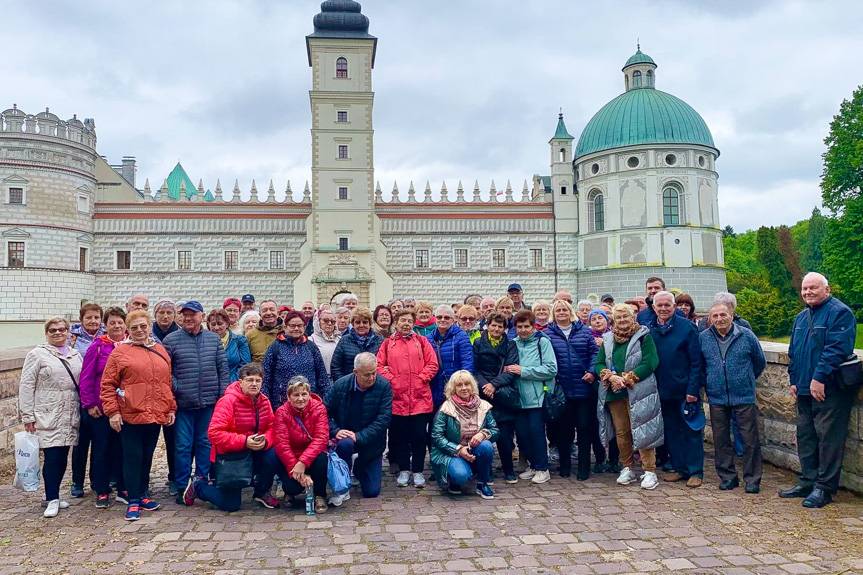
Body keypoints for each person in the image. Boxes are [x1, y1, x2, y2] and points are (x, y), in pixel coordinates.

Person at [779, 272, 858, 508]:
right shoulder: (801, 318)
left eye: (813, 288)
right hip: (803, 388)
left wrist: (819, 378)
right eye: (804, 289)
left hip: (829, 388)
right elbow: (794, 352)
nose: (808, 292)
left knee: (828, 438)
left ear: (827, 289)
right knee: (806, 437)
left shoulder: (840, 313)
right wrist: (794, 380)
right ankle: (808, 480)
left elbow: (837, 349)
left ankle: (824, 488)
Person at [100, 310, 176, 521]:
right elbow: (108, 384)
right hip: (131, 412)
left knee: (147, 456)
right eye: (134, 328)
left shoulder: (160, 350)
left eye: (143, 326)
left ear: (149, 326)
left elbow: (166, 383)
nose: (139, 331)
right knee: (132, 457)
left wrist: (171, 407)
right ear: (128, 330)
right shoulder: (120, 352)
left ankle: (142, 493)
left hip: (155, 412)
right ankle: (132, 498)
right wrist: (113, 412)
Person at [184, 363, 285, 511]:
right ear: (240, 382)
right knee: (230, 504)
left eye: (258, 381)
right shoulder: (228, 401)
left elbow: (272, 427)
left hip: (255, 449)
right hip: (231, 454)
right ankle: (199, 486)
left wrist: (265, 440)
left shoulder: (264, 401)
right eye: (250, 380)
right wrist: (244, 441)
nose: (254, 384)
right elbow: (214, 433)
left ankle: (261, 491)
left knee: (274, 454)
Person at [163, 301, 230, 502]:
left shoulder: (213, 339)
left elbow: (222, 369)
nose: (188, 318)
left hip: (209, 403)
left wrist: (222, 396)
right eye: (185, 315)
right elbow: (165, 371)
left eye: (193, 314)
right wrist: (178, 387)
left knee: (205, 443)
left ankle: (201, 481)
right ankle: (183, 484)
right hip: (184, 404)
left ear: (202, 316)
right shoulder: (171, 340)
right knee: (182, 446)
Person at [698, 303, 766, 493]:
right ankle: (727, 477)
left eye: (723, 315)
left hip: (743, 396)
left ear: (731, 315)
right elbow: (700, 365)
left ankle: (752, 479)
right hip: (717, 397)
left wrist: (746, 379)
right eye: (715, 316)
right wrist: (710, 382)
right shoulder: (703, 338)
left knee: (749, 439)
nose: (720, 319)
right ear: (710, 319)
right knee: (721, 439)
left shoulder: (746, 335)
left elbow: (759, 361)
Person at [595, 304, 663, 490]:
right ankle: (627, 467)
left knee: (642, 429)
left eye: (626, 317)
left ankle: (649, 470)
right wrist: (610, 376)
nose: (623, 321)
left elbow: (651, 361)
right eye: (619, 318)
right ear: (614, 321)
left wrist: (628, 377)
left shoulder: (643, 336)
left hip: (639, 391)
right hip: (614, 392)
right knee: (622, 431)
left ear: (633, 318)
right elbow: (599, 362)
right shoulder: (608, 339)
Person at [19, 317, 82, 518]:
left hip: (70, 412)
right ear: (46, 333)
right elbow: (27, 385)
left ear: (68, 332)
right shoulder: (37, 354)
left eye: (62, 329)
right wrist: (27, 414)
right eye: (53, 330)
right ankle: (51, 497)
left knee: (63, 455)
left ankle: (52, 493)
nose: (57, 333)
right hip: (47, 412)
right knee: (52, 456)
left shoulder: (75, 355)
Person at [376, 309, 439, 488]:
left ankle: (418, 470)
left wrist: (421, 378)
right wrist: (393, 380)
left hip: (420, 398)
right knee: (401, 436)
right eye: (402, 320)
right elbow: (380, 365)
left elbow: (432, 363)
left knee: (419, 436)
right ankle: (404, 469)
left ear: (414, 323)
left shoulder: (422, 341)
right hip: (398, 398)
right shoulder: (388, 344)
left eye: (409, 321)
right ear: (396, 323)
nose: (406, 324)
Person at [648, 291, 704, 488]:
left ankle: (696, 471)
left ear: (674, 306)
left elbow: (697, 362)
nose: (663, 308)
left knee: (691, 431)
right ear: (654, 307)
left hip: (685, 391)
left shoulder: (687, 328)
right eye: (659, 305)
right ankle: (680, 468)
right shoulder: (650, 329)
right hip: (662, 390)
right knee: (672, 432)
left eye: (667, 305)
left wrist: (692, 390)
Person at [76, 307, 128, 506]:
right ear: (106, 325)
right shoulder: (98, 346)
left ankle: (123, 486)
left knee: (123, 448)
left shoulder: (131, 345)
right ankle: (102, 488)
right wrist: (89, 404)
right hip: (101, 407)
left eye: (119, 322)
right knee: (102, 449)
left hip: (126, 407)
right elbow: (87, 377)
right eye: (112, 322)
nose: (116, 326)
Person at [325, 353, 393, 504]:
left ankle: (359, 467)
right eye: (367, 374)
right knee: (345, 443)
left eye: (374, 373)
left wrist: (359, 436)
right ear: (355, 372)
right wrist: (336, 431)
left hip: (372, 443)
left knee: (371, 492)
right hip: (345, 438)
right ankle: (342, 478)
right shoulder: (341, 385)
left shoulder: (384, 386)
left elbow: (383, 419)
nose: (371, 377)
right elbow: (323, 412)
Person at [546, 300, 598, 480]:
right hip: (562, 389)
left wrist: (592, 371)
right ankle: (565, 466)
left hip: (583, 388)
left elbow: (595, 353)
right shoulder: (547, 334)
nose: (561, 312)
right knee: (564, 430)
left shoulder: (584, 331)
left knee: (584, 429)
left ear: (570, 312)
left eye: (564, 309)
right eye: (558, 310)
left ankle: (584, 467)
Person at [505, 309, 557, 485]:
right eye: (519, 326)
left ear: (533, 326)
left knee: (536, 433)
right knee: (522, 435)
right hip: (518, 397)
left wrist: (524, 371)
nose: (523, 330)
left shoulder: (543, 342)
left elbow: (551, 369)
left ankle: (543, 468)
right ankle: (534, 465)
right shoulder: (512, 343)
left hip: (537, 396)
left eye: (526, 326)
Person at [430, 370, 499, 499]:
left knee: (486, 446)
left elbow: (495, 430)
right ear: (453, 388)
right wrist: (458, 449)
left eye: (467, 384)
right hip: (452, 452)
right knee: (461, 475)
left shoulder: (483, 406)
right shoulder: (446, 408)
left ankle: (482, 483)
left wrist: (483, 434)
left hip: (474, 448)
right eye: (459, 385)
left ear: (472, 386)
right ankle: (455, 481)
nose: (464, 388)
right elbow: (436, 436)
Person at [474, 312, 521, 483]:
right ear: (488, 325)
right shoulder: (479, 343)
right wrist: (485, 386)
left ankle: (509, 470)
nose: (496, 329)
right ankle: (485, 471)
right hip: (482, 392)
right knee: (482, 435)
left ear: (505, 329)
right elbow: (475, 369)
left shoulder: (510, 345)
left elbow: (511, 370)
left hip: (502, 393)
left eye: (500, 326)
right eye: (493, 325)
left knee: (505, 437)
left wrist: (494, 385)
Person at [273, 376, 331, 513]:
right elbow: (282, 444)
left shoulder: (319, 408)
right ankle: (290, 492)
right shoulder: (281, 412)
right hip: (292, 458)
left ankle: (320, 495)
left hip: (312, 456)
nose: (300, 398)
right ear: (288, 396)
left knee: (322, 458)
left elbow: (321, 438)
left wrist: (303, 462)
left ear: (309, 394)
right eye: (296, 395)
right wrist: (296, 467)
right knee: (293, 487)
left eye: (304, 394)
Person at [262, 310, 331, 411]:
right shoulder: (275, 347)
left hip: (308, 404)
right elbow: (266, 378)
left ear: (304, 326)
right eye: (292, 325)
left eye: (300, 325)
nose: (296, 328)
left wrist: (326, 402)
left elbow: (322, 377)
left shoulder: (311, 347)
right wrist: (266, 405)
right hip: (281, 404)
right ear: (285, 327)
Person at [428, 304, 474, 410]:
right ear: (435, 318)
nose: (443, 320)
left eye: (447, 317)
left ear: (453, 320)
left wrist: (464, 386)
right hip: (435, 387)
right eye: (439, 317)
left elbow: (467, 363)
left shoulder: (461, 336)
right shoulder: (428, 339)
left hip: (455, 388)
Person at [331, 308, 383, 382]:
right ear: (353, 324)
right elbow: (335, 367)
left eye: (365, 322)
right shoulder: (344, 340)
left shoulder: (379, 340)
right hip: (349, 386)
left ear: (370, 324)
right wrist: (344, 383)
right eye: (358, 322)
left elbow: (383, 365)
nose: (361, 325)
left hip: (374, 384)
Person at [207, 308, 251, 381]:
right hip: (211, 385)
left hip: (233, 384)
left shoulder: (240, 340)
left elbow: (245, 365)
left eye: (220, 323)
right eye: (213, 324)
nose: (216, 327)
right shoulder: (204, 341)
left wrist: (232, 381)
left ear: (227, 324)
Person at [310, 308, 340, 376]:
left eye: (332, 321)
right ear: (318, 321)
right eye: (325, 320)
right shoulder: (311, 340)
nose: (329, 323)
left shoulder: (340, 340)